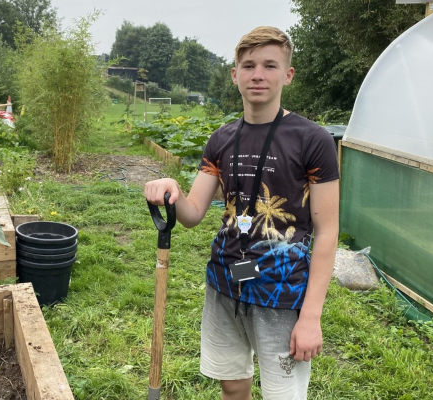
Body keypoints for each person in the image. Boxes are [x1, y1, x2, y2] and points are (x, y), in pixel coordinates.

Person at [144, 26, 339, 400]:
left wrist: (311, 316)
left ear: (288, 74)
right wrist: (172, 189)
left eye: (270, 65)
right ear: (235, 74)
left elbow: (328, 231)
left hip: (282, 292)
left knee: (283, 394)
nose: (258, 75)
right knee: (232, 386)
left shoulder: (313, 140)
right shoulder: (222, 138)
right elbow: (192, 213)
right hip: (225, 281)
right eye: (248, 66)